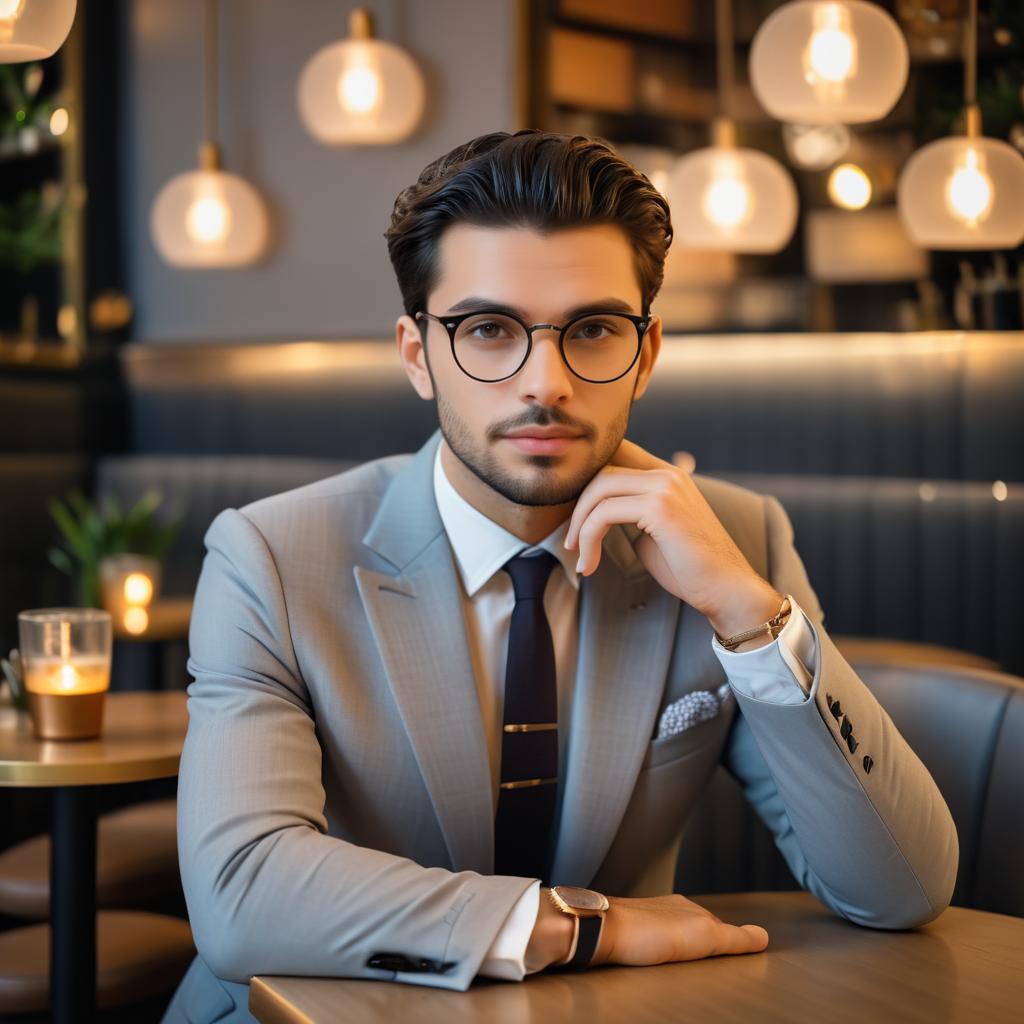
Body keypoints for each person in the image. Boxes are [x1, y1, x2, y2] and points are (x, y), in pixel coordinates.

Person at [162, 130, 958, 1023]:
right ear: (418, 353)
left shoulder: (740, 543)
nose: (545, 382)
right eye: (489, 331)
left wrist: (745, 610)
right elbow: (241, 893)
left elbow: (904, 887)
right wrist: (590, 927)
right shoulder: (270, 557)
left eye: (592, 330)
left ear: (646, 354)